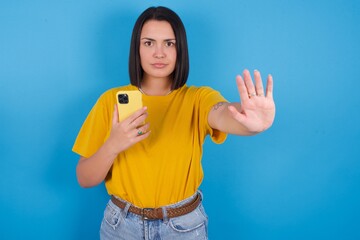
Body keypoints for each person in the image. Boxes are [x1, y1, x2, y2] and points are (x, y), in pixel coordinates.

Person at [72, 6, 275, 240]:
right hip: (120, 228)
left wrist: (252, 123)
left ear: (181, 49)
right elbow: (85, 178)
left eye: (169, 43)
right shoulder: (110, 102)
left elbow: (224, 114)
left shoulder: (198, 99)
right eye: (149, 43)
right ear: (136, 49)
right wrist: (113, 145)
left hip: (183, 228)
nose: (159, 53)